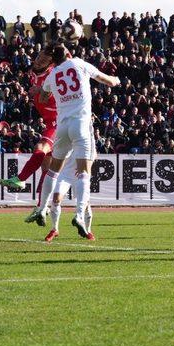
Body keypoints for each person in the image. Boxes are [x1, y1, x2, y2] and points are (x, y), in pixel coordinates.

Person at [38, 43, 120, 237]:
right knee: (84, 172)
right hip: (80, 123)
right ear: (67, 53)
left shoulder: (53, 74)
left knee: (53, 171)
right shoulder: (79, 64)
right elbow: (107, 80)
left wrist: (53, 92)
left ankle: (42, 208)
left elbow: (42, 97)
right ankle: (79, 215)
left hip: (62, 127)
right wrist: (116, 80)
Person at [0, 47, 58, 223]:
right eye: (38, 56)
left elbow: (56, 85)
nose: (38, 60)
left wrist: (39, 91)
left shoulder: (54, 73)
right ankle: (41, 207)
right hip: (49, 121)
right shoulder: (35, 72)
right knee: (46, 168)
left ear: (50, 63)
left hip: (58, 121)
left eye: (43, 58)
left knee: (40, 149)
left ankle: (21, 179)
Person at [35, 149, 95, 242]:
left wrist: (84, 167)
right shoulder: (65, 139)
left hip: (80, 174)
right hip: (64, 175)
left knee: (86, 204)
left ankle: (88, 231)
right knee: (56, 199)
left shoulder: (85, 139)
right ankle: (54, 229)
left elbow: (94, 155)